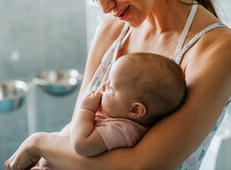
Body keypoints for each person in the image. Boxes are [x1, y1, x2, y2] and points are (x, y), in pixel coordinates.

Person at [5, 0, 231, 169]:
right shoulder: (111, 33)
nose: (104, 7)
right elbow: (80, 139)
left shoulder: (220, 49)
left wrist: (38, 143)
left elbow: (143, 165)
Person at [31, 52, 186, 170]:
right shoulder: (117, 120)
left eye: (111, 87)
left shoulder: (122, 130)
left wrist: (86, 109)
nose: (103, 85)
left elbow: (81, 145)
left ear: (135, 110)